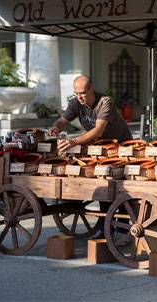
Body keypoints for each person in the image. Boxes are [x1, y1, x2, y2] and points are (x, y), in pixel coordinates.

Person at [48, 74, 133, 239]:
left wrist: (73, 141)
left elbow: (98, 131)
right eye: (76, 93)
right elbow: (63, 120)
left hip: (121, 148)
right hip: (100, 150)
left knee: (121, 188)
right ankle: (105, 227)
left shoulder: (105, 102)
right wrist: (55, 127)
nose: (79, 97)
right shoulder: (75, 103)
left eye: (82, 93)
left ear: (91, 89)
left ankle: (122, 231)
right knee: (102, 186)